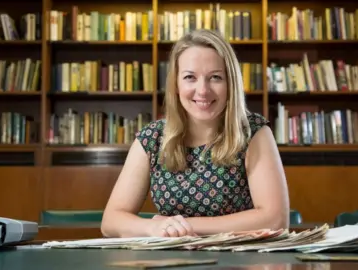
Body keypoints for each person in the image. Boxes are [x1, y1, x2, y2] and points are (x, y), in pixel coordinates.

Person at [101, 29, 289, 238]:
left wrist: (182, 226)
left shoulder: (254, 132)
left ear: (230, 84)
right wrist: (153, 227)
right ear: (176, 85)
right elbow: (111, 221)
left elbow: (275, 219)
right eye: (190, 77)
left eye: (215, 77)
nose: (203, 90)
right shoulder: (152, 138)